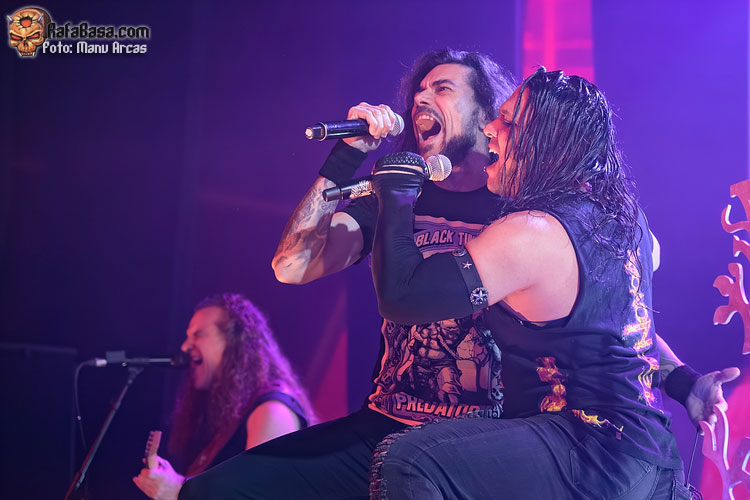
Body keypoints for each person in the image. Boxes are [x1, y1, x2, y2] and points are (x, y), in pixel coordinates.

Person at [179, 50, 736, 499]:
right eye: (419, 91)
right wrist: (347, 155)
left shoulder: (526, 212)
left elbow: (606, 319)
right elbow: (292, 265)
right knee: (214, 492)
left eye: (442, 89)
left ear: (487, 113)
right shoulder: (397, 199)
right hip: (390, 421)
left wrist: (680, 378)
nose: (421, 98)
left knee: (413, 465)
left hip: (496, 432)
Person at [365, 68, 741, 499]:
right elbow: (623, 335)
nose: (490, 128)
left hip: (586, 451)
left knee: (409, 460)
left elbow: (402, 296)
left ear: (549, 140)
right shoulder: (629, 221)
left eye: (508, 122)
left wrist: (396, 191)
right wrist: (684, 383)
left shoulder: (533, 231)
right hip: (647, 460)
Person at [133, 293, 314, 500]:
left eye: (198, 334)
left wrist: (179, 492)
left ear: (234, 340)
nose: (185, 346)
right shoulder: (237, 412)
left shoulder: (272, 410)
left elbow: (262, 494)